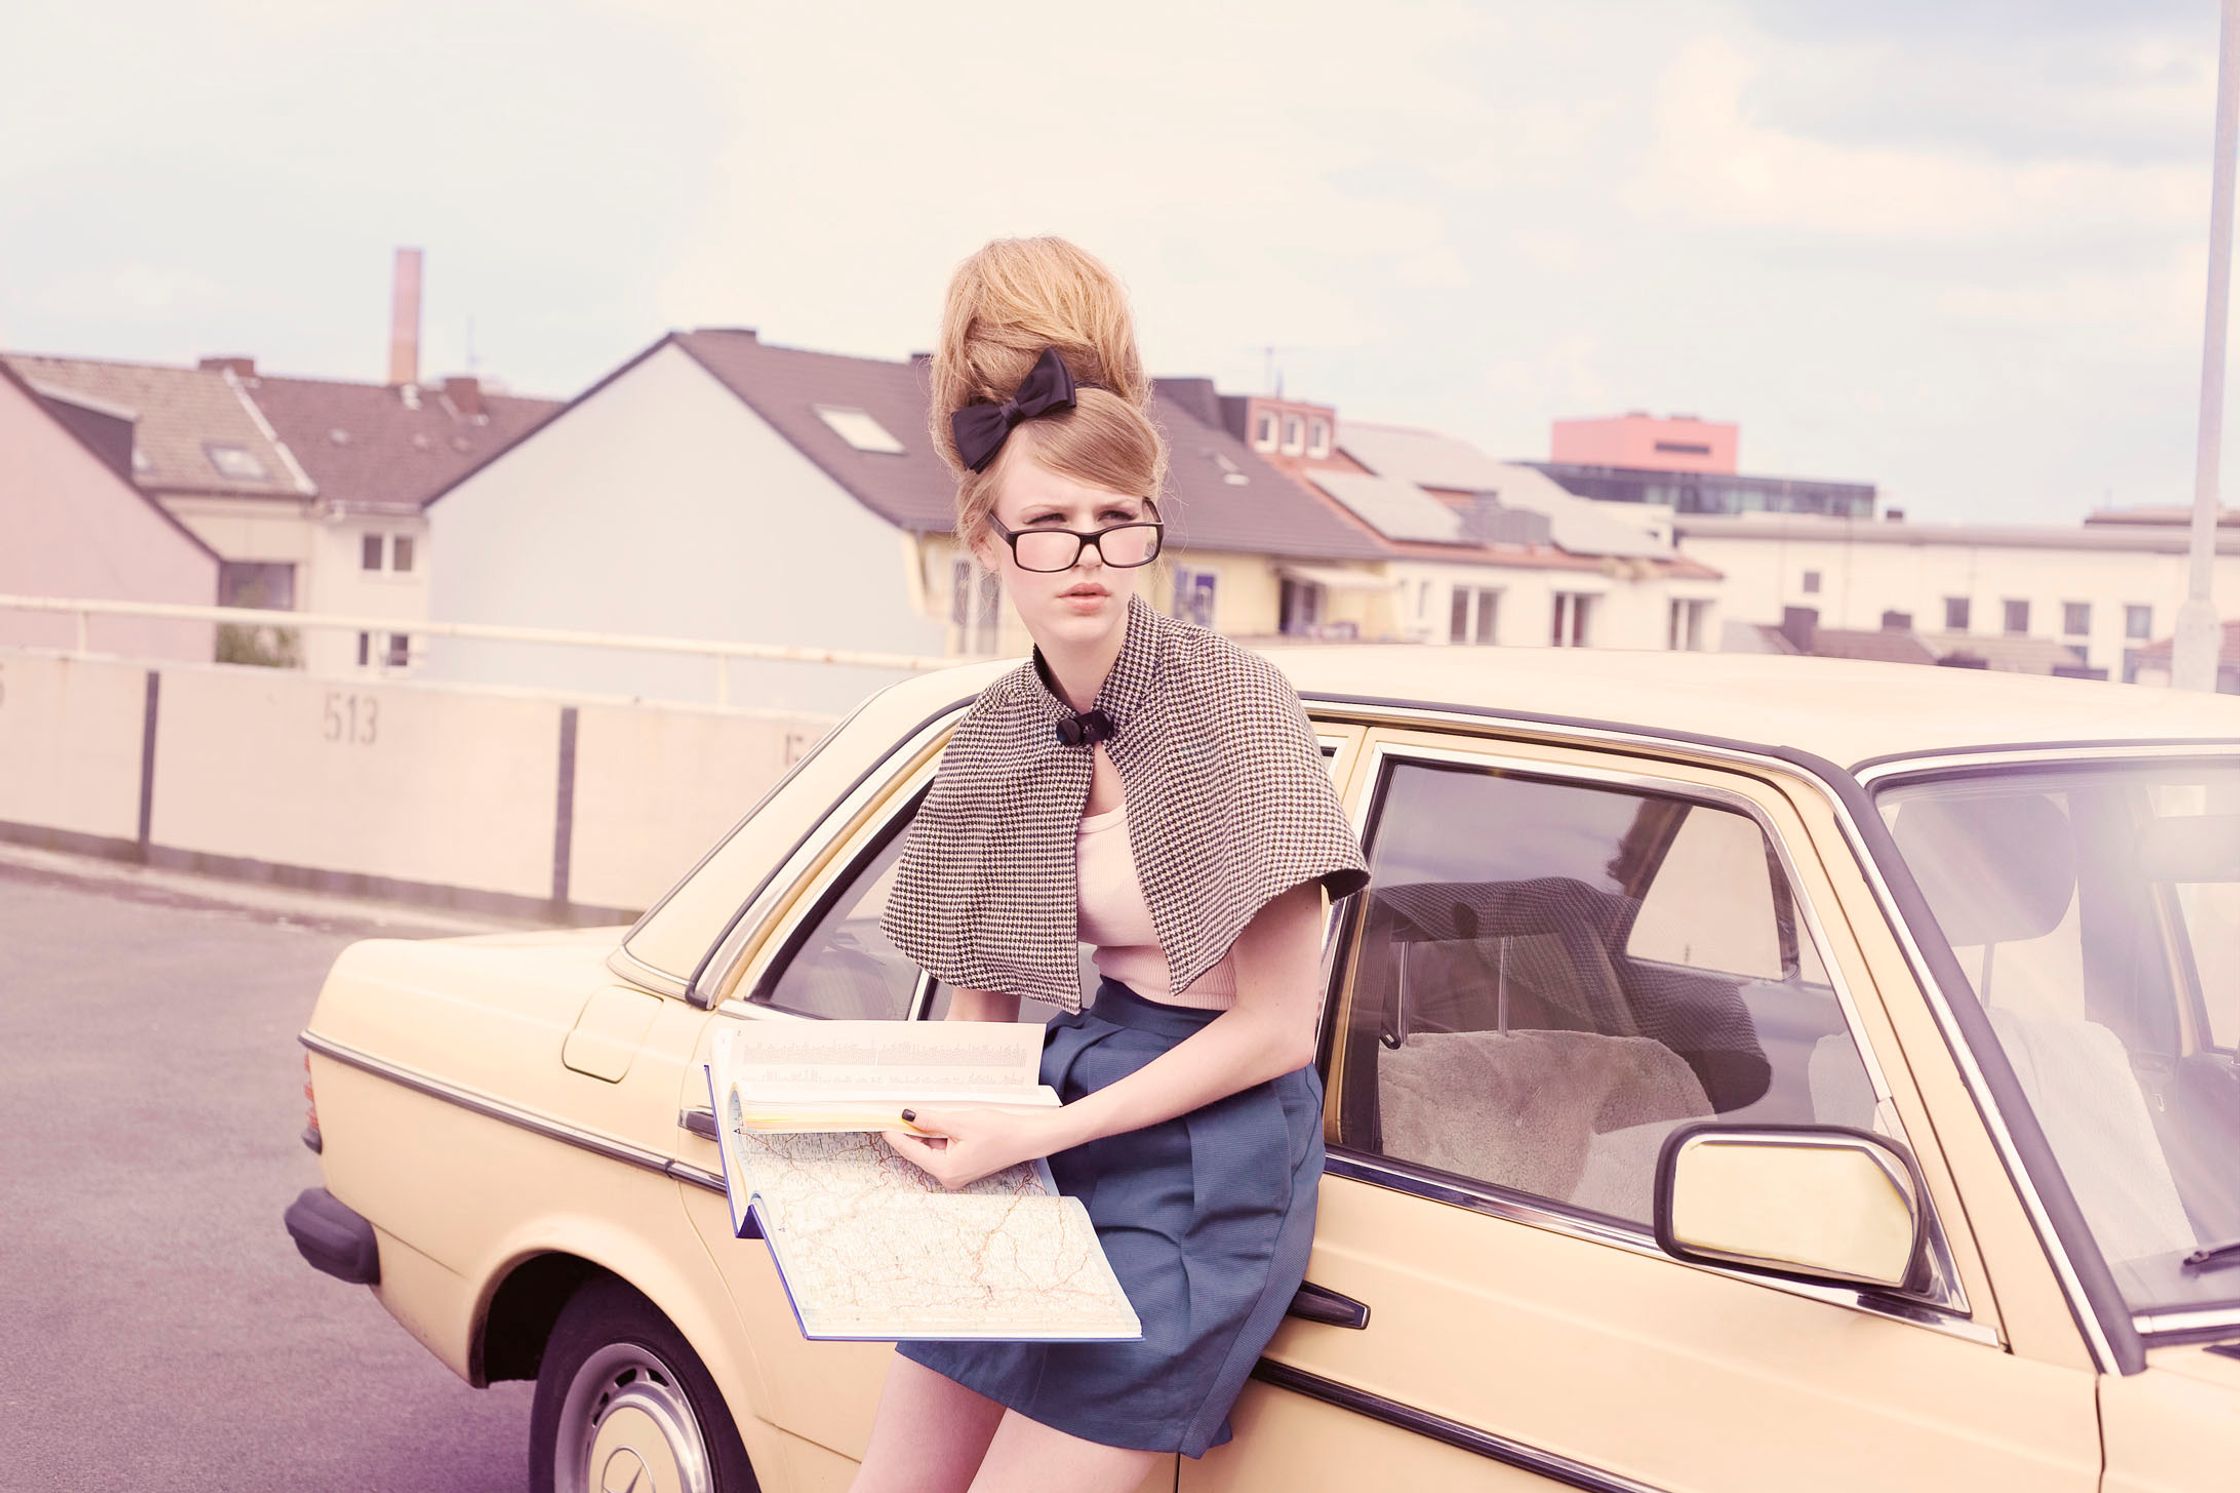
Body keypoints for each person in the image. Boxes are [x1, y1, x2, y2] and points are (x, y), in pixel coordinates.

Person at [848, 236, 1370, 1493]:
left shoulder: (1231, 702)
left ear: (1147, 531)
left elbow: (1277, 1030)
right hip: (1054, 1108)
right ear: (986, 545)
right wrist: (935, 1144)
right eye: (1044, 527)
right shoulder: (996, 731)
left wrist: (1036, 1126)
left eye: (1113, 524)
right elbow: (980, 1006)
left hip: (1206, 1152)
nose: (1083, 558)